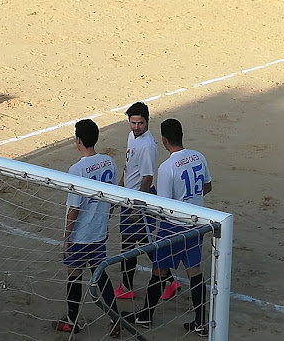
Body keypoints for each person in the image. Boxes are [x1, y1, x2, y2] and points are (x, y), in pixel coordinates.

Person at [122, 118, 213, 337]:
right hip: (195, 223)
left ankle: (145, 315)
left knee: (158, 270)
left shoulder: (167, 168)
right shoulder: (199, 156)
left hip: (172, 228)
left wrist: (140, 211)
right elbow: (207, 187)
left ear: (164, 140)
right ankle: (201, 321)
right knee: (194, 272)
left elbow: (164, 206)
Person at [53, 119, 121, 337]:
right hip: (99, 232)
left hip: (81, 235)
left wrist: (66, 237)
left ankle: (72, 320)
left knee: (74, 275)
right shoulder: (109, 162)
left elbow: (74, 209)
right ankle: (115, 319)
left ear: (78, 140)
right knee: (100, 275)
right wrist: (106, 221)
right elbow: (112, 198)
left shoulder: (76, 170)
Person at [114, 101, 159, 300]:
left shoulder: (147, 146)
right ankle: (169, 280)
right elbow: (129, 165)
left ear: (147, 122)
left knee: (129, 244)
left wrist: (137, 207)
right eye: (133, 123)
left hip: (139, 199)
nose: (136, 127)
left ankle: (127, 287)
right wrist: (120, 185)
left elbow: (147, 178)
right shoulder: (132, 137)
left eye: (140, 123)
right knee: (142, 241)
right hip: (130, 197)